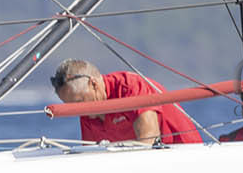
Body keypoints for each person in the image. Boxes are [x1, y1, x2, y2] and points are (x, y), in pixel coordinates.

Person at [50, 60, 203, 145]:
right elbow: (90, 155)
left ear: (94, 84)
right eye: (72, 107)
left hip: (185, 158)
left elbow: (148, 141)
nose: (79, 110)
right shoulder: (87, 109)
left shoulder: (130, 87)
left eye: (79, 102)